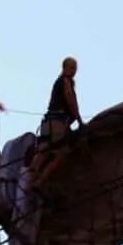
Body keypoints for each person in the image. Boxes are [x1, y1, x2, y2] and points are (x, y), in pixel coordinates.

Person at [31, 57, 83, 189]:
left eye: (75, 69)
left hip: (47, 122)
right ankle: (40, 181)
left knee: (43, 153)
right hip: (58, 122)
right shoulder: (66, 81)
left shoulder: (58, 82)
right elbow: (70, 99)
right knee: (63, 153)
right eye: (71, 68)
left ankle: (28, 180)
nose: (73, 71)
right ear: (64, 68)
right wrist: (79, 120)